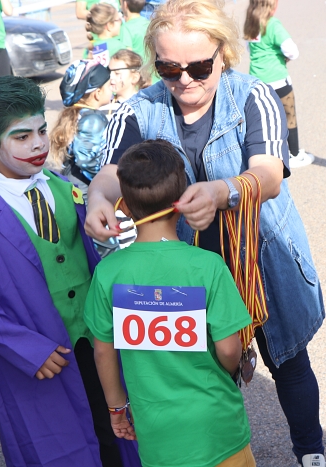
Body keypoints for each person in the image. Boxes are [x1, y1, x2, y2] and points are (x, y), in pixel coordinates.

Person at [88, 1, 326, 466]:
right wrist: (98, 200)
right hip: (186, 269)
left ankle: (311, 453)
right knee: (197, 372)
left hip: (261, 258)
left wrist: (223, 191)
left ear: (224, 53)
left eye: (198, 66)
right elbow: (110, 173)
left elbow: (270, 174)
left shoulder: (255, 95)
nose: (184, 81)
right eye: (169, 68)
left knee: (290, 362)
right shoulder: (137, 109)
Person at [0, 76, 135, 467]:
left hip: (96, 340)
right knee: (58, 445)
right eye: (21, 136)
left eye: (42, 130)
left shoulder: (66, 189)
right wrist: (24, 347)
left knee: (115, 433)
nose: (38, 143)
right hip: (38, 355)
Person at [85, 139, 256, 467]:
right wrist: (229, 371)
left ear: (124, 205)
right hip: (217, 427)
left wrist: (117, 408)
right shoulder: (208, 267)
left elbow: (103, 351)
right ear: (182, 198)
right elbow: (229, 349)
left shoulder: (108, 273)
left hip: (157, 436)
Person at [244, 0, 313, 168]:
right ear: (271, 6)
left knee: (266, 119)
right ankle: (294, 154)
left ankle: (269, 154)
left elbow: (249, 48)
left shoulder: (250, 22)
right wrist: (284, 58)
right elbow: (292, 51)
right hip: (278, 80)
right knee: (289, 117)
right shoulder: (273, 24)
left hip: (258, 80)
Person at [52, 60, 113, 201]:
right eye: (109, 86)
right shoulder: (93, 119)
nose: (112, 89)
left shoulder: (79, 114)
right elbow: (87, 160)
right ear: (97, 93)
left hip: (74, 185)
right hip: (86, 192)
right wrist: (109, 182)